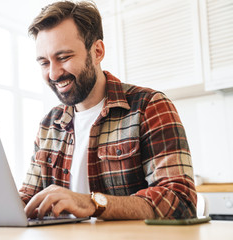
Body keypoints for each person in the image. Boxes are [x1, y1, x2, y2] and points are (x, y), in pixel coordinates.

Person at [19, 0, 197, 220]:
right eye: (44, 62)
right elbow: (28, 196)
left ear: (97, 51)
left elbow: (180, 200)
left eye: (63, 57)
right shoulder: (49, 124)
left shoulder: (149, 106)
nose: (54, 74)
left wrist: (93, 203)